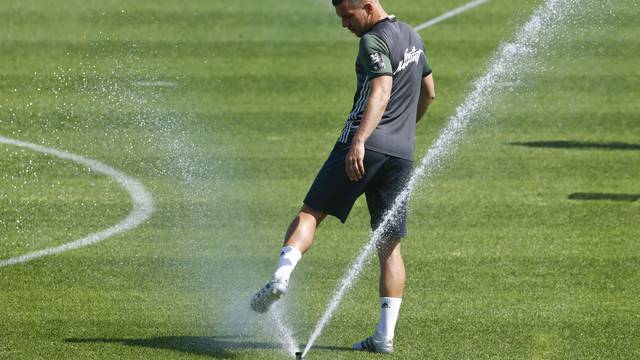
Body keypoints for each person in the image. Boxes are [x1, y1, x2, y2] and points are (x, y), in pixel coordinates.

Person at [250, 0, 435, 354]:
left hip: (363, 145)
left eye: (347, 16)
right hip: (401, 154)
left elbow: (380, 90)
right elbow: (429, 92)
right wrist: (404, 131)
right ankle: (384, 337)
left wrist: (361, 142)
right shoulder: (413, 35)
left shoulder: (372, 41)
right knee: (390, 244)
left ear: (367, 6)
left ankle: (280, 277)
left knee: (310, 213)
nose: (344, 25)